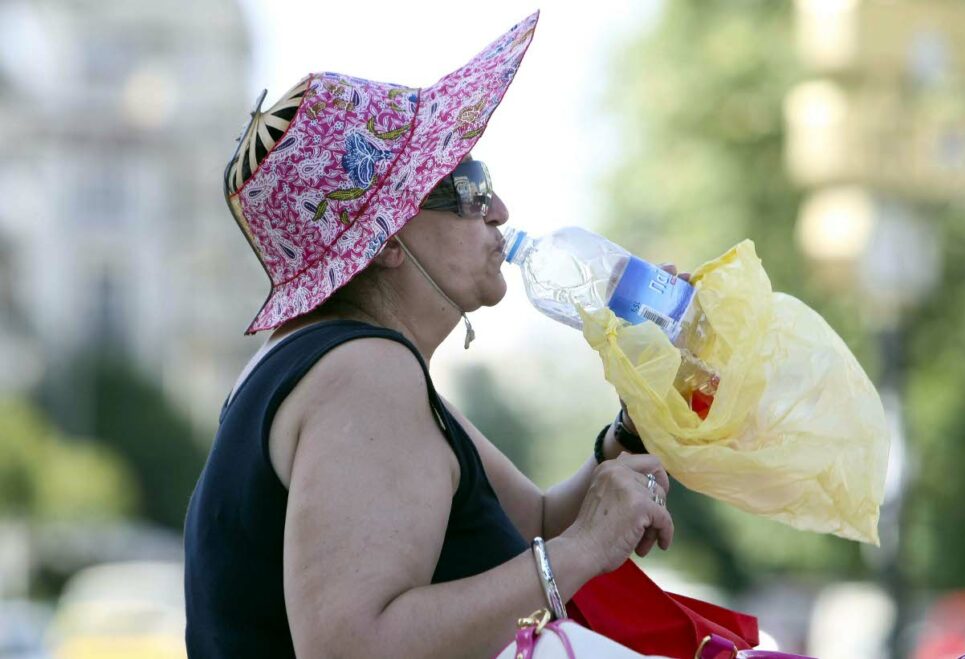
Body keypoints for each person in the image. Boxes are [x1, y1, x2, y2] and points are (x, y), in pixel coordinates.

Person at [183, 12, 674, 658]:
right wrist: (579, 553)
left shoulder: (330, 369)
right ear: (385, 237)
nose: (499, 210)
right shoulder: (365, 375)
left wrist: (633, 425)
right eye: (469, 187)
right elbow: (349, 647)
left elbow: (538, 525)